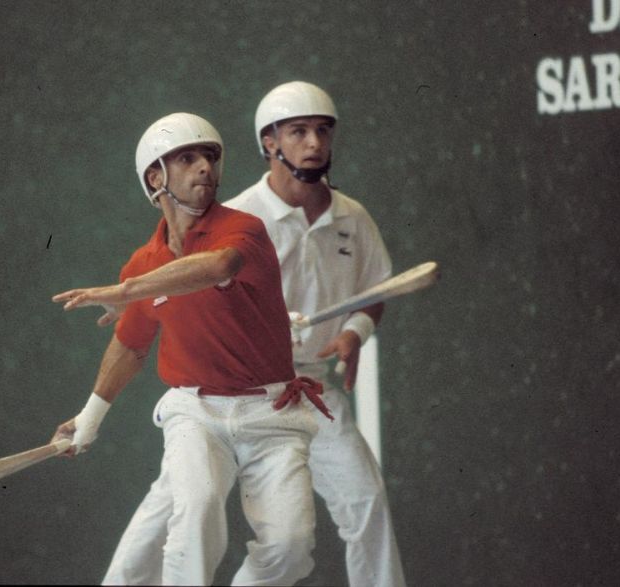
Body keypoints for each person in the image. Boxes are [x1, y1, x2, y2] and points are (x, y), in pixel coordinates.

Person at [103, 82, 407, 587]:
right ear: (269, 143)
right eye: (298, 131)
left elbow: (376, 289)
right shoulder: (243, 216)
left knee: (365, 500)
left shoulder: (352, 218)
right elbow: (194, 283)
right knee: (175, 507)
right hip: (221, 392)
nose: (313, 143)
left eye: (322, 131)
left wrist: (354, 331)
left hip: (305, 393)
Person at [50, 112, 333, 586]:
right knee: (195, 516)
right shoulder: (145, 262)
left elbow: (218, 266)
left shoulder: (243, 229)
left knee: (290, 549)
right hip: (195, 413)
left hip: (273, 415)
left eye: (211, 156)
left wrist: (126, 291)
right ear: (156, 177)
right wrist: (89, 418)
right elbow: (130, 345)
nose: (205, 167)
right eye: (187, 158)